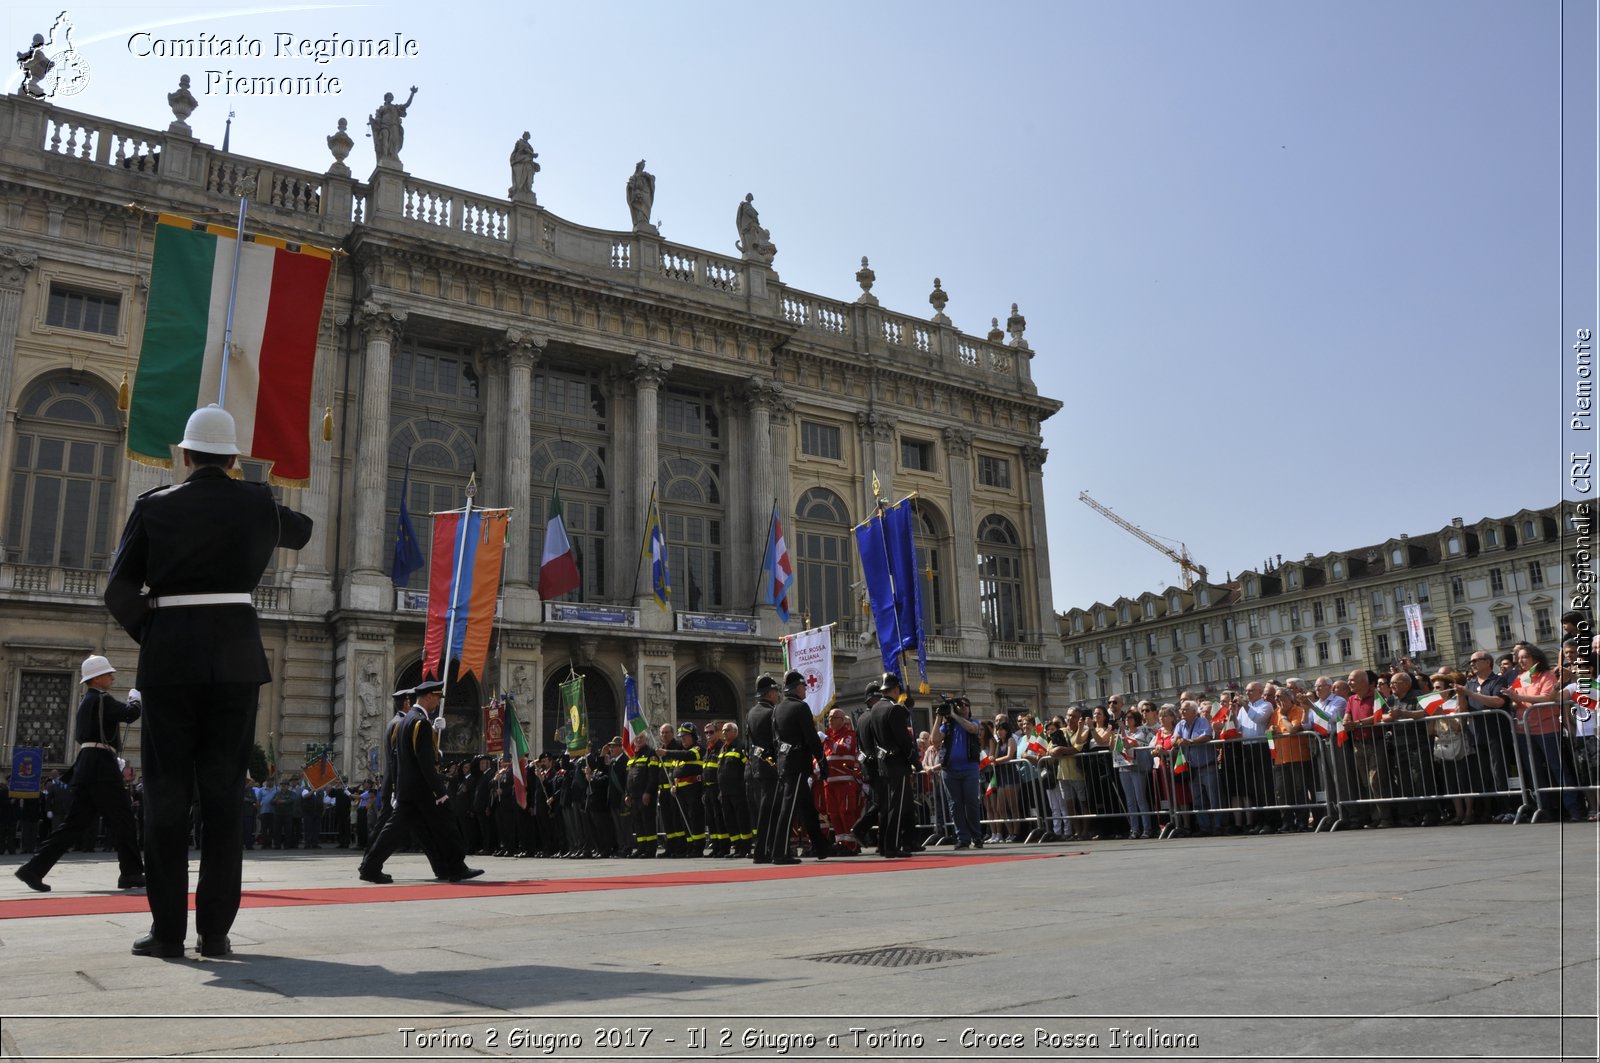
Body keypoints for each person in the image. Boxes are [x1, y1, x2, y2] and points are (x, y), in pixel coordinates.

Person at [104, 404, 313, 960]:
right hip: (238, 658)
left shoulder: (155, 507)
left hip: (171, 659)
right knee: (223, 799)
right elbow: (303, 531)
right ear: (232, 458)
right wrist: (255, 488)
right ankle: (216, 932)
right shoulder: (258, 502)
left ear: (187, 454)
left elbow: (119, 590)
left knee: (167, 798)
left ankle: (168, 932)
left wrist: (156, 629)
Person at [15, 656, 145, 893]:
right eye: (108, 674)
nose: (112, 677)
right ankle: (131, 873)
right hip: (100, 768)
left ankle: (33, 869)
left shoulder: (88, 701)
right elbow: (129, 715)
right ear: (96, 678)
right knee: (124, 820)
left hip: (90, 764)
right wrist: (135, 700)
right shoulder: (101, 699)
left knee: (74, 825)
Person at [359, 680, 484, 883]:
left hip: (408, 789)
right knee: (446, 825)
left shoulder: (407, 720)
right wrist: (439, 791)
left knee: (419, 832)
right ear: (428, 697)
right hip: (421, 790)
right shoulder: (420, 723)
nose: (437, 702)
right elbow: (425, 763)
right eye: (436, 697)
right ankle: (455, 867)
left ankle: (446, 868)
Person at [768, 670, 830, 863]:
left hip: (784, 762)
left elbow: (774, 738)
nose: (806, 690)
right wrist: (821, 760)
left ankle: (821, 847)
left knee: (807, 807)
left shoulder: (777, 708)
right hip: (797, 762)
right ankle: (779, 852)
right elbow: (811, 737)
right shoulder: (801, 707)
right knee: (789, 808)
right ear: (797, 688)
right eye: (804, 687)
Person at [860, 672, 917, 857]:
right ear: (895, 690)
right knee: (897, 806)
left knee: (889, 805)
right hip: (897, 763)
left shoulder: (875, 709)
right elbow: (903, 740)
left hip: (882, 764)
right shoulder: (894, 709)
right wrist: (915, 761)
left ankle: (885, 845)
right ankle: (892, 846)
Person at [937, 697, 984, 849]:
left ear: (970, 708)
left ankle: (977, 836)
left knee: (971, 802)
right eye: (959, 705)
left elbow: (971, 729)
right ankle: (963, 838)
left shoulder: (975, 722)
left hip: (969, 769)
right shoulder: (947, 725)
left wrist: (955, 715)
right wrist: (939, 717)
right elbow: (934, 739)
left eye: (965, 705)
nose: (962, 707)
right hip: (950, 771)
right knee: (955, 805)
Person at [745, 674, 782, 863]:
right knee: (771, 810)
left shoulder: (751, 712)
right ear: (770, 693)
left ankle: (761, 849)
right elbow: (777, 741)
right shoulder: (773, 712)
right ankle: (766, 850)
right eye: (776, 691)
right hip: (771, 766)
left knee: (763, 809)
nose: (777, 695)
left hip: (757, 766)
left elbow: (748, 742)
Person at [368, 86, 417, 160]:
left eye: (391, 97)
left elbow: (406, 104)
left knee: (394, 142)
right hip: (384, 126)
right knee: (384, 138)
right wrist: (372, 121)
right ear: (386, 98)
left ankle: (393, 156)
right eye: (389, 96)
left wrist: (412, 94)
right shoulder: (382, 108)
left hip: (394, 126)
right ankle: (384, 156)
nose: (391, 98)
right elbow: (378, 118)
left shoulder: (396, 107)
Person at [625, 160, 655, 229]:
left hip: (646, 195)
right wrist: (631, 187)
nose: (642, 167)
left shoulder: (646, 175)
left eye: (643, 166)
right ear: (638, 167)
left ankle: (645, 221)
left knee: (646, 209)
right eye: (641, 166)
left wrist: (648, 176)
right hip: (638, 195)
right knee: (639, 209)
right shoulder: (634, 176)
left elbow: (653, 178)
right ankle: (640, 221)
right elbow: (630, 186)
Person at [508, 131, 539, 197]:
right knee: (522, 177)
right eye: (526, 135)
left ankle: (528, 189)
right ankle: (522, 189)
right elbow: (525, 149)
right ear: (524, 136)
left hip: (528, 162)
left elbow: (527, 149)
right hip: (521, 160)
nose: (527, 137)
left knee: (528, 176)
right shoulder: (521, 142)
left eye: (528, 136)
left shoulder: (527, 144)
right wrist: (533, 154)